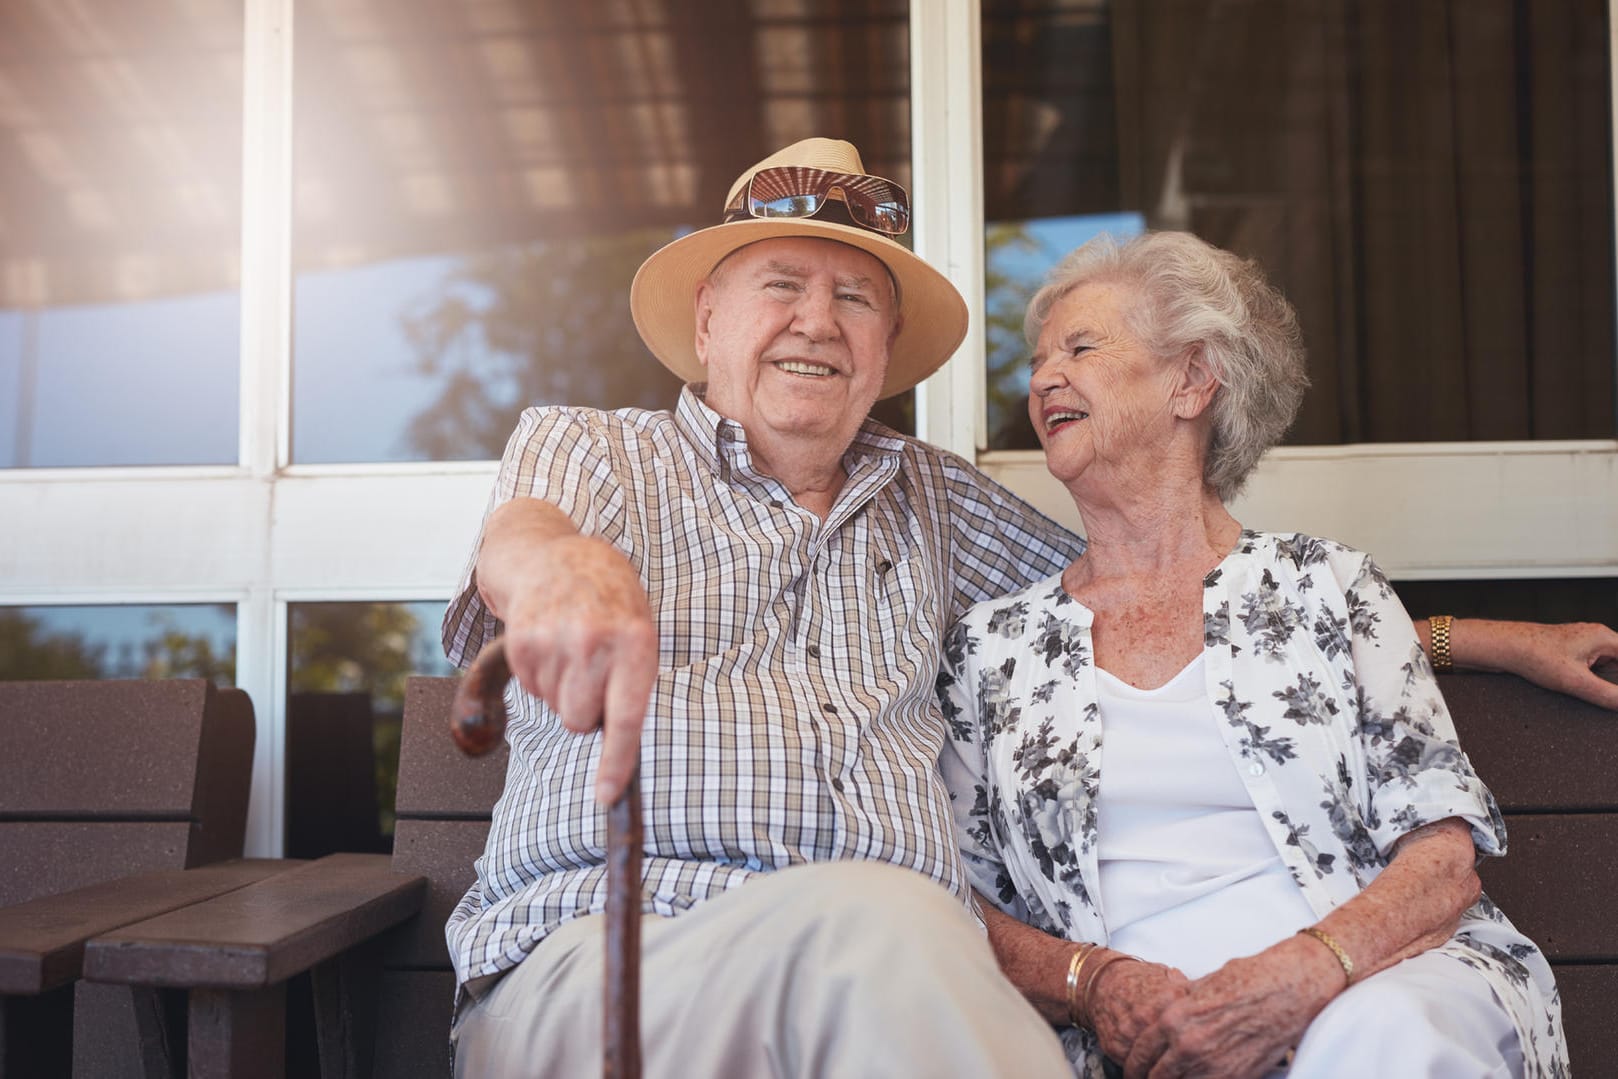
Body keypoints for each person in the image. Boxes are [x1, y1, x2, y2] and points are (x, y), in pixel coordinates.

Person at [442, 137, 1613, 1076]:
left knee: (900, 944)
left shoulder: (934, 506)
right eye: (779, 284)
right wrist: (566, 575)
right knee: (887, 926)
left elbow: (1181, 598)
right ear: (707, 322)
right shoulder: (596, 452)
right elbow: (528, 540)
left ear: (886, 350)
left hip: (897, 995)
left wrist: (1493, 637)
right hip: (620, 958)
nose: (817, 319)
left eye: (855, 297)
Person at [935, 230, 1572, 1078]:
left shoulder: (1329, 586)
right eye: (1040, 357)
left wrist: (1302, 977)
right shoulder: (993, 648)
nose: (1043, 375)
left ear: (1193, 380)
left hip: (1369, 985)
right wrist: (1093, 983)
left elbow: (1442, 862)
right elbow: (964, 901)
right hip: (1129, 1034)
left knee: (1379, 1039)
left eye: (1082, 346)